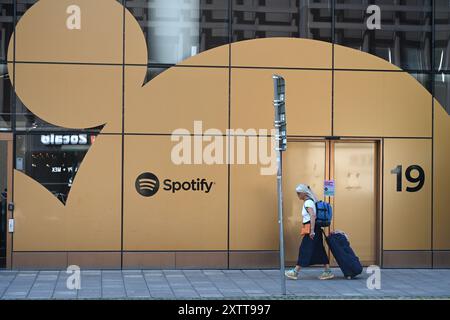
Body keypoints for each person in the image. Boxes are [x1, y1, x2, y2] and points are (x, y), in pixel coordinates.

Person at [285, 184, 334, 280]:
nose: (297, 195)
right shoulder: (311, 201)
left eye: (299, 193)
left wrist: (312, 231)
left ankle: (295, 271)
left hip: (311, 229)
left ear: (304, 193)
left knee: (304, 249)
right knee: (319, 249)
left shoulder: (308, 203)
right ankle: (328, 271)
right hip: (315, 229)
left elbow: (312, 216)